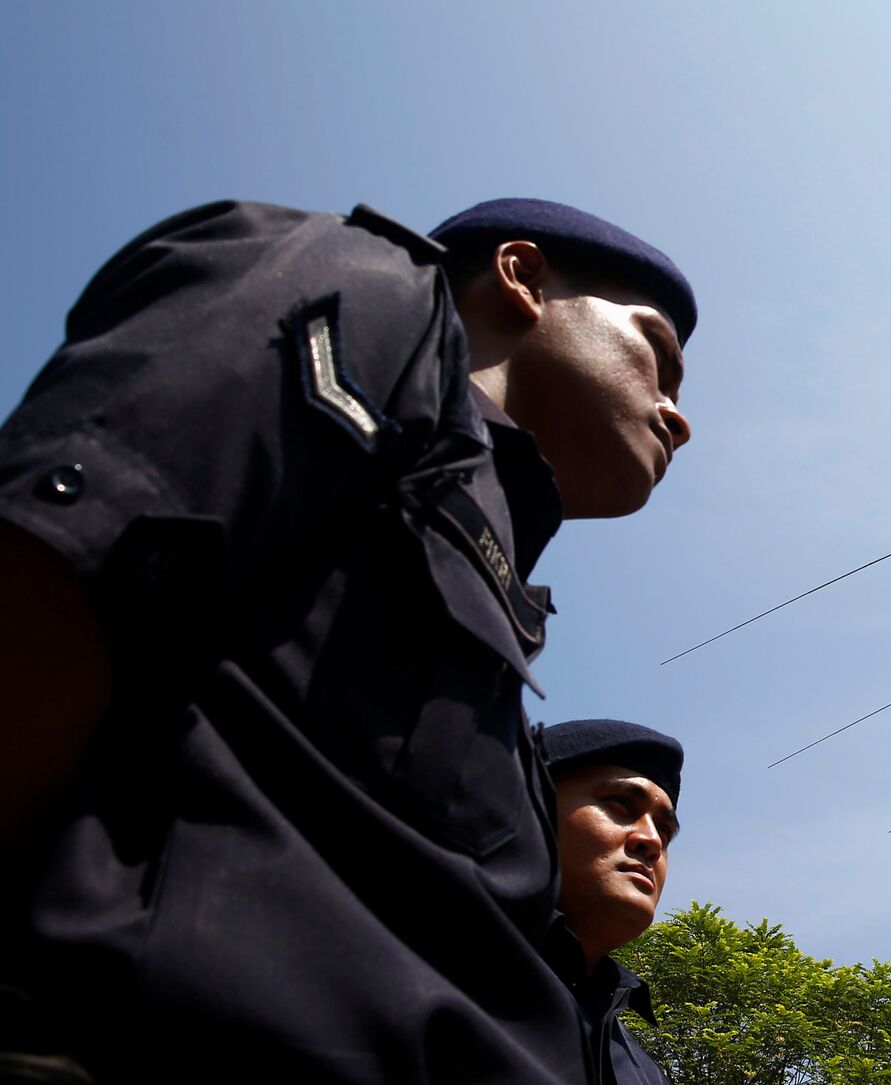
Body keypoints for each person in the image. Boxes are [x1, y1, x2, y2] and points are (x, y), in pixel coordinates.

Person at [0, 197, 696, 1082]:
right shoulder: (362, 289)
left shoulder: (503, 593)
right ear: (521, 277)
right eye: (658, 355)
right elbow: (57, 564)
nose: (677, 415)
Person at [540, 719, 685, 1085]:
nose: (652, 841)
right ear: (530, 810)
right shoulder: (427, 970)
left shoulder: (646, 1074)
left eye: (665, 830)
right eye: (621, 803)